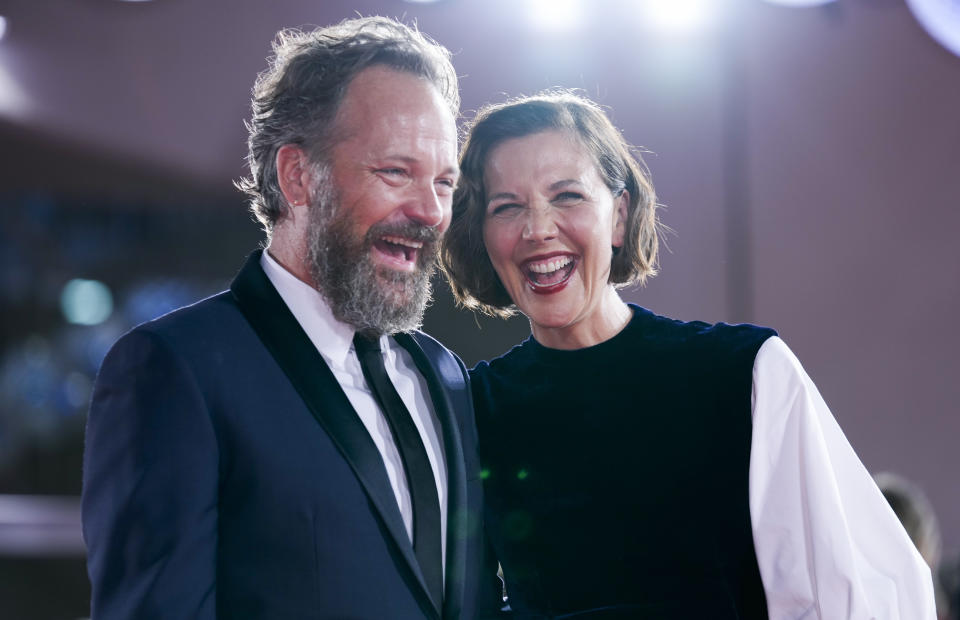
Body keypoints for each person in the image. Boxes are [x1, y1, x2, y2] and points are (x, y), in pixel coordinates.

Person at [441, 91, 936, 618]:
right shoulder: (473, 411)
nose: (537, 230)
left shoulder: (742, 372)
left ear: (620, 216)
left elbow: (865, 594)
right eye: (507, 207)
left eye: (567, 196)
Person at [82, 17, 495, 619]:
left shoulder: (445, 374)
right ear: (298, 177)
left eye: (444, 181)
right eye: (396, 172)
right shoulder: (174, 371)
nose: (431, 212)